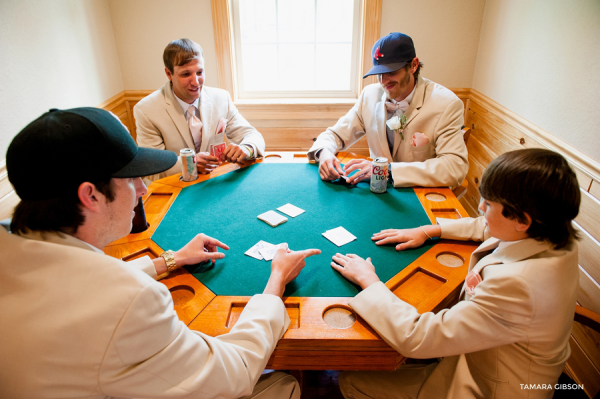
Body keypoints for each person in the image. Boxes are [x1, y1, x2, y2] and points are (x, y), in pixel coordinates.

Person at [0, 107, 320, 398]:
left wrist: (170, 259)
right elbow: (234, 373)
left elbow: (76, 286)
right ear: (91, 196)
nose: (142, 189)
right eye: (131, 178)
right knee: (282, 385)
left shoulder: (8, 239)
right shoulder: (133, 301)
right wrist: (275, 282)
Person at [330, 148, 580, 398]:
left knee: (352, 381)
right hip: (505, 360)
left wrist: (369, 280)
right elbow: (484, 225)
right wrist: (428, 230)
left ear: (523, 220)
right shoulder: (554, 233)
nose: (481, 208)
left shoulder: (517, 285)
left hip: (492, 387)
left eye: (489, 203)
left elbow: (418, 337)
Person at [308, 32, 468, 188]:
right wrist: (324, 153)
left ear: (413, 65)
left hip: (421, 196)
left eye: (391, 71)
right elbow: (335, 135)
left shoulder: (447, 104)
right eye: (379, 73)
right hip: (377, 192)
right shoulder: (369, 95)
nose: (383, 81)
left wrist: (387, 171)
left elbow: (454, 167)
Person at [134, 38, 265, 181]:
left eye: (200, 72)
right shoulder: (146, 110)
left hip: (215, 182)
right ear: (169, 74)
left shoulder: (221, 98)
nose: (196, 82)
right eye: (186, 74)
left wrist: (247, 148)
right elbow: (151, 166)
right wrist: (189, 163)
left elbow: (252, 135)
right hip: (177, 188)